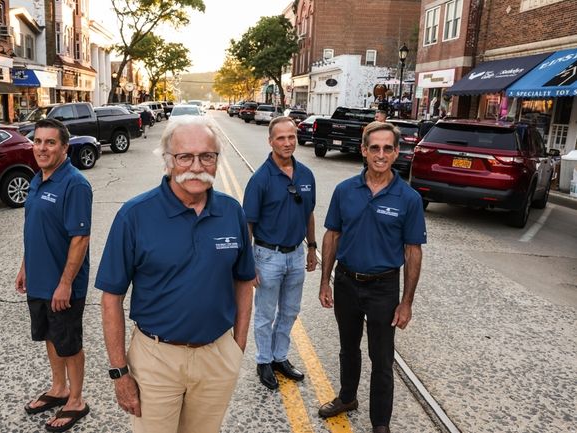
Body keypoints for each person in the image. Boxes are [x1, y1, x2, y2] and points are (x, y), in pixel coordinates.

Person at [96, 116, 256, 433]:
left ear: (216, 161)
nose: (196, 166)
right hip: (156, 359)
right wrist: (119, 372)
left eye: (207, 156)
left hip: (217, 356)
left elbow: (244, 279)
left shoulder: (231, 211)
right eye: (185, 156)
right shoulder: (134, 215)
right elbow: (111, 298)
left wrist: (237, 346)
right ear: (169, 162)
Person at [317, 121, 426, 433]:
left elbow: (413, 251)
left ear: (396, 152)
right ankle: (347, 397)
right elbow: (332, 235)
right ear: (363, 150)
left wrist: (406, 302)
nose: (381, 154)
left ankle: (380, 424)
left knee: (382, 358)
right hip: (347, 282)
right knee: (347, 347)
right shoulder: (344, 191)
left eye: (387, 148)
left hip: (383, 288)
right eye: (374, 148)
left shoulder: (408, 198)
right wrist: (326, 281)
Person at [15, 118, 92, 433]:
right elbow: (35, 230)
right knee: (50, 335)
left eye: (50, 142)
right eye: (37, 141)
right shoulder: (37, 178)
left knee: (69, 343)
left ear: (64, 147)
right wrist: (25, 267)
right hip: (39, 279)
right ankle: (58, 388)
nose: (42, 148)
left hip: (63, 286)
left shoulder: (74, 184)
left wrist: (65, 284)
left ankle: (76, 400)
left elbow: (80, 239)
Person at [242, 116, 317, 390]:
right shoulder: (260, 179)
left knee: (290, 311)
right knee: (265, 314)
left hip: (296, 254)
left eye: (291, 137)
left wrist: (311, 247)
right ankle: (263, 361)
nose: (287, 143)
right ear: (271, 141)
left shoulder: (306, 174)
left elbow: (308, 212)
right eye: (281, 138)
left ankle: (279, 357)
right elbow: (248, 223)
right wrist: (248, 263)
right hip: (267, 256)